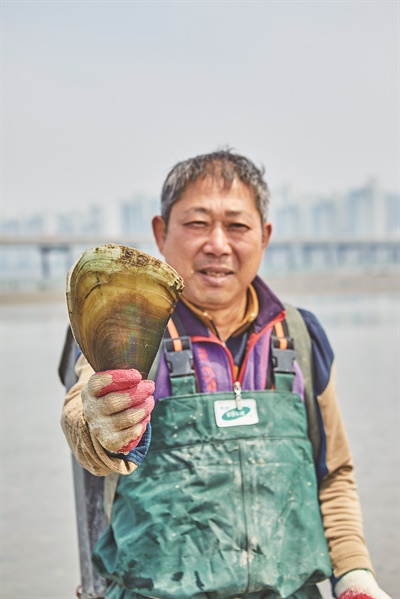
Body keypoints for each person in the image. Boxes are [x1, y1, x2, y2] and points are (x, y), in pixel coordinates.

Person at [61, 150, 391, 599]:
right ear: (161, 233)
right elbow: (83, 424)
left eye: (237, 225)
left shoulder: (299, 337)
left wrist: (355, 574)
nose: (218, 243)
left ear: (264, 236)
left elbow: (333, 473)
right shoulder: (129, 333)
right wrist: (105, 423)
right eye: (197, 223)